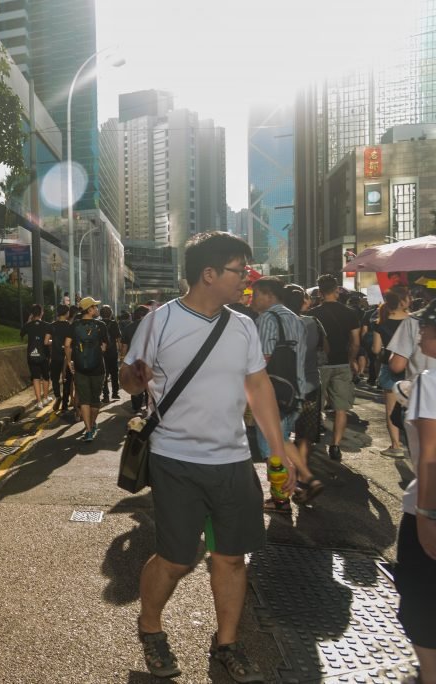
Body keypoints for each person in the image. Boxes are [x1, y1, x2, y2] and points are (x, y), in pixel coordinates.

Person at [120, 231, 296, 682]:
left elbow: (257, 387)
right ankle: (150, 625)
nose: (248, 281)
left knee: (231, 558)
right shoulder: (158, 322)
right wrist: (134, 379)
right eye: (241, 271)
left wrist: (279, 451)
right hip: (175, 460)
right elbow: (129, 377)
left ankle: (227, 644)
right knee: (177, 560)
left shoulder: (242, 326)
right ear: (209, 274)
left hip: (234, 461)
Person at [392, 299, 436, 684]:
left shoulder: (430, 381)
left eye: (427, 326)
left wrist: (426, 517)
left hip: (428, 505)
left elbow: (430, 456)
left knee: (419, 598)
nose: (420, 330)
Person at [250, 276, 307, 494]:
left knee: (270, 448)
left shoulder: (266, 319)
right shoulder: (294, 318)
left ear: (268, 295)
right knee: (281, 440)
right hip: (295, 390)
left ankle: (280, 497)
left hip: (272, 393)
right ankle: (304, 482)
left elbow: (261, 360)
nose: (251, 301)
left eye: (255, 296)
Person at [281, 284, 326, 506]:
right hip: (311, 385)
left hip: (286, 389)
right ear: (303, 303)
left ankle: (287, 488)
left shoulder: (280, 324)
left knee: (281, 436)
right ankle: (302, 478)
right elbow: (322, 349)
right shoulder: (313, 322)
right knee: (304, 436)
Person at [308, 274, 361, 462]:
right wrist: (352, 359)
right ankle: (336, 445)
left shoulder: (313, 314)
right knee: (341, 408)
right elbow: (355, 341)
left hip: (319, 365)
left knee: (316, 404)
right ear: (337, 289)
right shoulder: (349, 313)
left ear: (320, 292)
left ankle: (313, 440)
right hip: (342, 364)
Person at [373, 288, 411, 457]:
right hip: (411, 368)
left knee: (390, 409)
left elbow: (375, 349)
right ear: (404, 302)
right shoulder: (414, 321)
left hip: (389, 367)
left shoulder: (381, 324)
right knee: (412, 408)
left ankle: (396, 446)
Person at [64, 297, 108, 442]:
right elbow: (104, 347)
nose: (97, 309)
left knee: (84, 400)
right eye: (95, 307)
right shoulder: (101, 325)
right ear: (89, 309)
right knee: (95, 400)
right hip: (98, 368)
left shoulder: (74, 325)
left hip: (80, 367)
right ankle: (93, 423)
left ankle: (88, 431)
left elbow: (67, 344)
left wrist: (70, 361)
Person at [120, 305, 150, 414]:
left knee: (136, 383)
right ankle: (148, 407)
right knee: (149, 385)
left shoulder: (129, 327)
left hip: (133, 361)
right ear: (144, 315)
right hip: (148, 361)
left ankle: (137, 408)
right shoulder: (151, 327)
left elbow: (124, 346)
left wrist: (123, 360)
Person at [20, 304, 51, 408]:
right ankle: (46, 398)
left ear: (32, 314)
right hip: (44, 355)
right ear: (42, 313)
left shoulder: (28, 326)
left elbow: (22, 333)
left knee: (36, 378)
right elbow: (48, 341)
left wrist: (29, 320)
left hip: (32, 355)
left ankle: (39, 402)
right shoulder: (47, 325)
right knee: (46, 377)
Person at [48, 305, 74, 413]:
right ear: (67, 313)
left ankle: (57, 396)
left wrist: (53, 343)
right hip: (67, 356)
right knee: (67, 380)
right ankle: (65, 403)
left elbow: (47, 341)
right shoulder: (70, 326)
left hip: (55, 355)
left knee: (54, 378)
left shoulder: (52, 325)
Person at [99, 305, 122, 403]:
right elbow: (118, 338)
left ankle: (105, 395)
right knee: (114, 373)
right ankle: (115, 393)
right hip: (112, 351)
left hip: (102, 352)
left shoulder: (98, 323)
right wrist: (120, 351)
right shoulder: (114, 323)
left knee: (104, 373)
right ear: (111, 313)